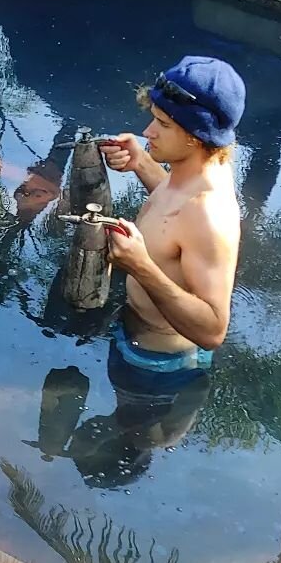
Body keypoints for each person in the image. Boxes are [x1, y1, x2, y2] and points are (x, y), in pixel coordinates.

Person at [99, 55, 246, 366]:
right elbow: (176, 212)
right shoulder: (197, 172)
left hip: (158, 368)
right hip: (137, 336)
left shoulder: (209, 213)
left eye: (163, 124)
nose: (148, 131)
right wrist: (141, 162)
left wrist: (141, 267)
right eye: (154, 118)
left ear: (196, 136)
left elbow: (213, 332)